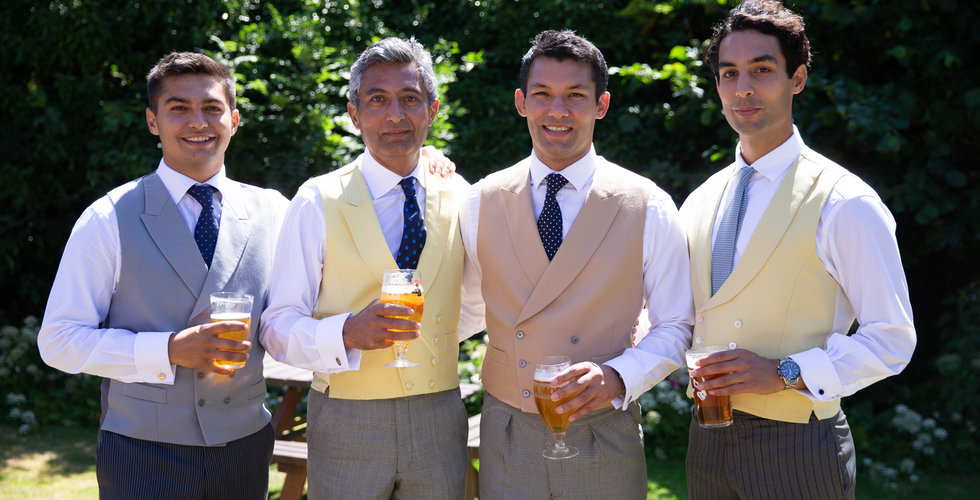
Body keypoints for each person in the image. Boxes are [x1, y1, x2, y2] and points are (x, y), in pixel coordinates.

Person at [680, 1, 917, 498]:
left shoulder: (844, 200)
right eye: (729, 73)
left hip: (800, 447)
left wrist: (786, 373)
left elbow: (893, 337)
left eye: (762, 70)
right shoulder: (701, 200)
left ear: (799, 79)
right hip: (705, 442)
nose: (743, 88)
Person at [38, 52, 289, 499]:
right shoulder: (107, 217)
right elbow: (58, 340)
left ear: (233, 119)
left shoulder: (274, 211)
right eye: (179, 108)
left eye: (212, 108)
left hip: (245, 446)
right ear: (153, 121)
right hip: (141, 452)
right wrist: (168, 349)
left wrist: (416, 161)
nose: (198, 122)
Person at [459, 30, 694, 499]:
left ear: (601, 104)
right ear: (521, 102)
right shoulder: (478, 201)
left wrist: (618, 376)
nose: (558, 111)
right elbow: (464, 310)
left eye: (575, 96)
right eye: (543, 95)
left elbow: (677, 324)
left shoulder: (648, 204)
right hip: (506, 434)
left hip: (603, 434)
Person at [260, 37, 484, 500]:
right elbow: (277, 325)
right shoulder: (316, 200)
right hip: (345, 420)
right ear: (354, 114)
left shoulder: (464, 195)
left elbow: (479, 303)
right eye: (377, 100)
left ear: (433, 109)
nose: (395, 116)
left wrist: (433, 338)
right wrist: (345, 334)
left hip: (439, 417)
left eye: (410, 99)